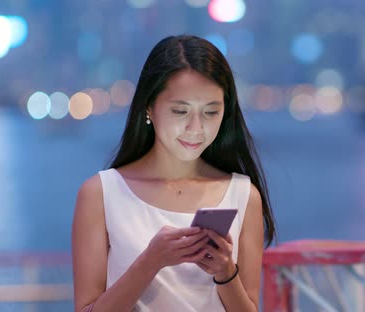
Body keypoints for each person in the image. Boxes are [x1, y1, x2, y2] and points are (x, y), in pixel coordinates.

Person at [71, 35, 277, 312]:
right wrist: (151, 260)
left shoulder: (242, 195)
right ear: (149, 107)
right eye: (180, 111)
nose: (196, 127)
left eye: (211, 112)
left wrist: (226, 272)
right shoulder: (101, 193)